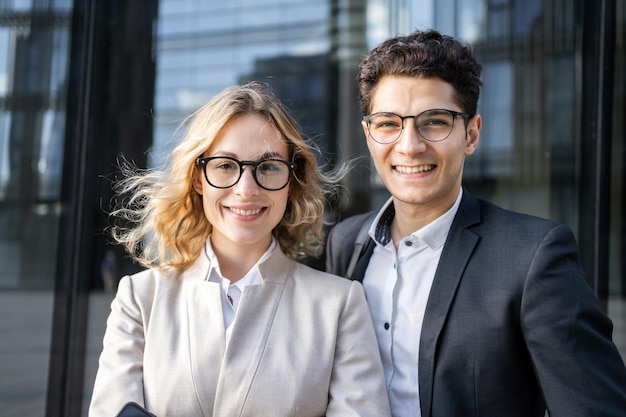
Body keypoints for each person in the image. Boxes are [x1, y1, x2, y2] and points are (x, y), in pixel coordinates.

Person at [325, 29, 626, 417]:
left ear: (471, 134)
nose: (410, 145)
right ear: (368, 135)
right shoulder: (345, 244)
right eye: (388, 123)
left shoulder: (534, 256)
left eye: (434, 122)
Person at [89, 82, 391, 417]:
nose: (246, 190)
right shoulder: (140, 298)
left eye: (269, 166)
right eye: (226, 165)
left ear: (291, 181)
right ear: (198, 178)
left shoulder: (339, 304)